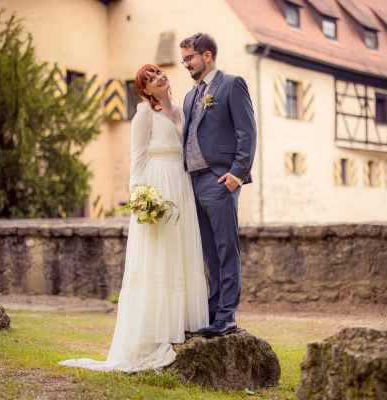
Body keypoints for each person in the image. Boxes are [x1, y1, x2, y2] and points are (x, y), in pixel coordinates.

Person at [59, 64, 209, 372]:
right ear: (146, 91)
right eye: (151, 79)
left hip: (182, 185)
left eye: (159, 74)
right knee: (159, 255)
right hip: (158, 184)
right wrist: (140, 200)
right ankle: (153, 332)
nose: (159, 78)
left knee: (180, 251)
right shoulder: (144, 114)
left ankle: (181, 322)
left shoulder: (182, 111)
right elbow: (137, 158)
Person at [179, 33, 256, 336]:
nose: (186, 64)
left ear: (206, 55)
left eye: (189, 58)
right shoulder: (189, 96)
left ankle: (228, 316)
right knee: (208, 253)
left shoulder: (232, 84)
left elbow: (247, 132)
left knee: (226, 250)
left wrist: (237, 174)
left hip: (219, 179)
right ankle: (213, 311)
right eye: (184, 59)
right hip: (193, 183)